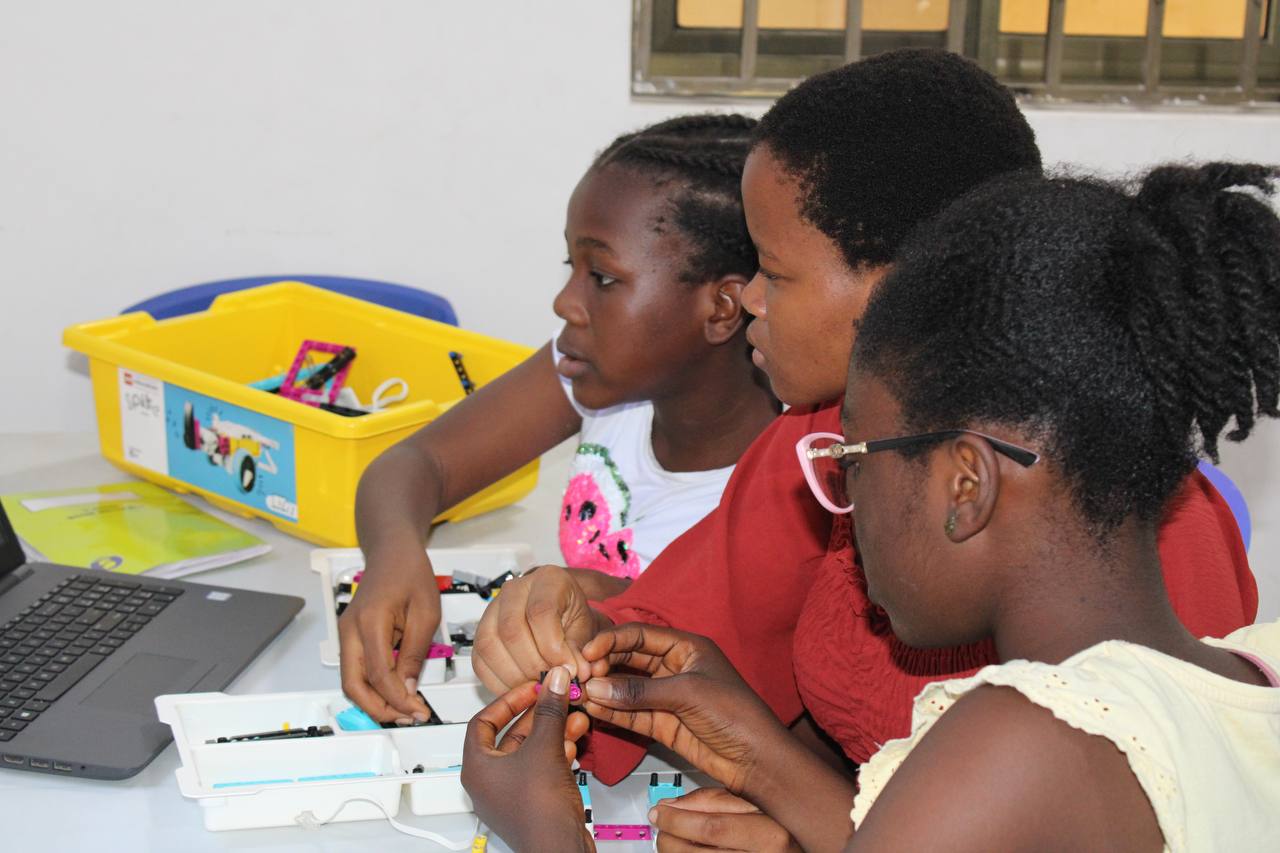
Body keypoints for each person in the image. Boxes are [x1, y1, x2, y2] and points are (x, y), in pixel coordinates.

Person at [470, 49, 1259, 842]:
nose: (747, 298)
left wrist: (546, 830)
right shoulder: (823, 439)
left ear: (907, 290)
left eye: (772, 270)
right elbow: (695, 623)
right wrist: (572, 635)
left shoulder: (1097, 602)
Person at [340, 114, 779, 724]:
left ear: (722, 308)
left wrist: (598, 602)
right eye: (570, 266)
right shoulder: (597, 372)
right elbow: (416, 464)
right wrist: (394, 558)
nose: (566, 302)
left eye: (602, 277)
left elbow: (717, 657)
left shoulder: (791, 482)